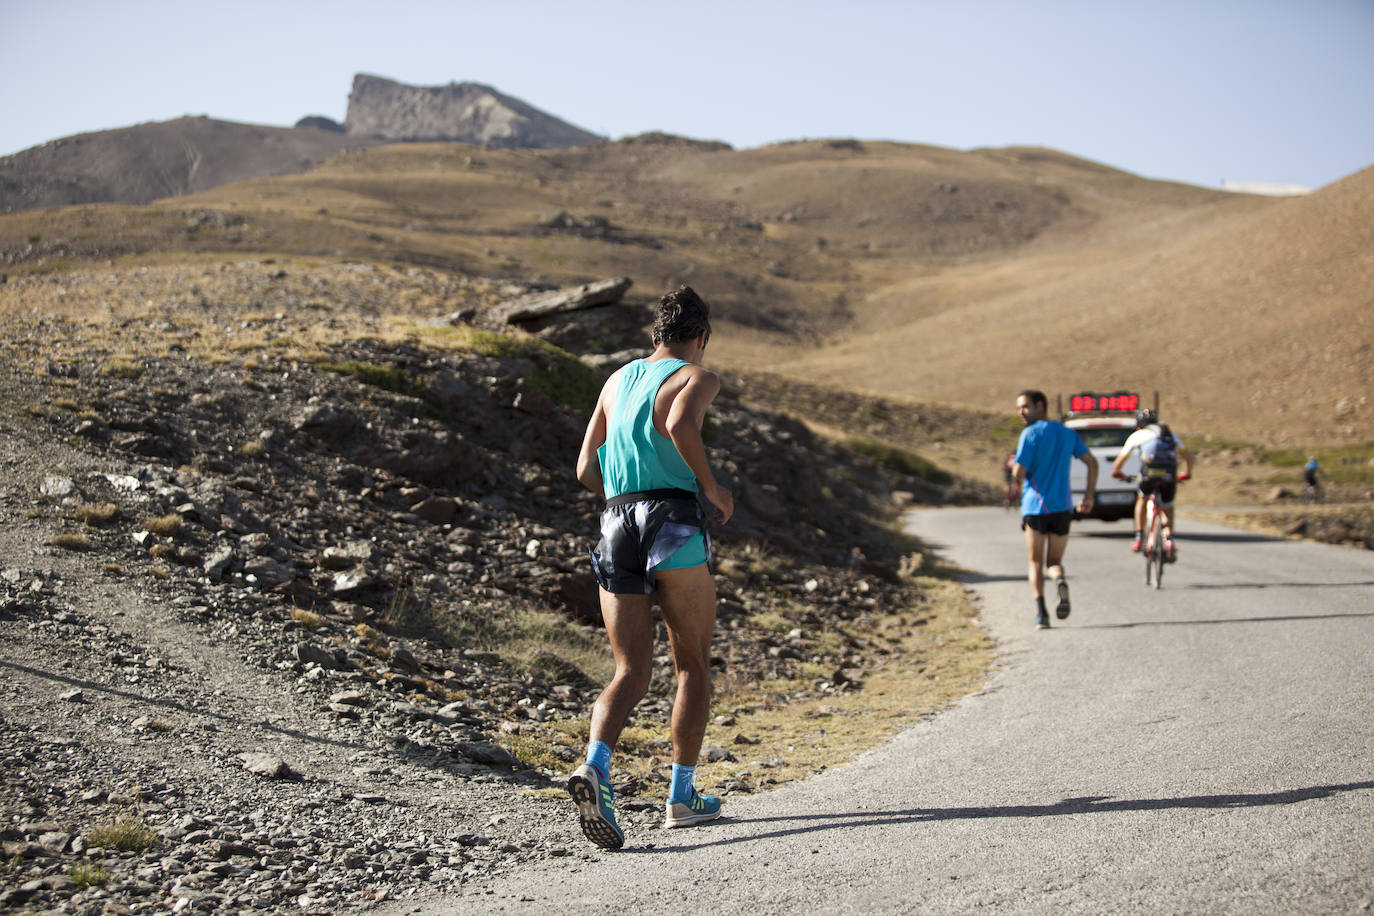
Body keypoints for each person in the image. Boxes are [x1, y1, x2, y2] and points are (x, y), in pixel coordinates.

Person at [569, 285, 734, 850]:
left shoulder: (616, 380)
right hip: (674, 520)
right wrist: (712, 488)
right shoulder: (696, 375)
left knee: (629, 670)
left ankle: (594, 766)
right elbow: (683, 425)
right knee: (691, 663)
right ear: (702, 337)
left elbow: (584, 467)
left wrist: (623, 490)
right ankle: (682, 797)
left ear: (653, 335)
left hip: (616, 521)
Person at [1011, 390, 1097, 629]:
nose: (1021, 412)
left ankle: (1042, 614)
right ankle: (1059, 579)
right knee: (1054, 562)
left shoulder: (1030, 433)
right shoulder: (1068, 434)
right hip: (1062, 507)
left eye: (1025, 407)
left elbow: (1019, 472)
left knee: (1035, 562)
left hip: (1035, 506)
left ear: (1040, 406)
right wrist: (1088, 495)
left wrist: (1015, 470)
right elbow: (1091, 462)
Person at [1111, 408, 1194, 561]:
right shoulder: (1170, 435)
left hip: (1148, 474)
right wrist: (1187, 474)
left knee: (1142, 499)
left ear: (1139, 425)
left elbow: (1119, 462)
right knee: (1167, 507)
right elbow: (1188, 457)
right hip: (1169, 475)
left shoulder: (1138, 435)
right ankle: (1169, 540)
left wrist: (1117, 473)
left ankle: (1139, 537)